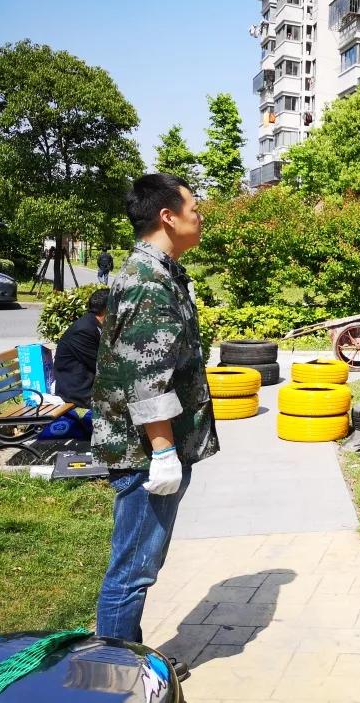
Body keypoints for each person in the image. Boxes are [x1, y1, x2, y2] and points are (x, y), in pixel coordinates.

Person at [93, 173, 219, 680]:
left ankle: (130, 658)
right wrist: (163, 451)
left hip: (149, 448)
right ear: (168, 215)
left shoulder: (159, 273)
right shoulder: (149, 281)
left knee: (136, 567)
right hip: (147, 453)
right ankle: (117, 674)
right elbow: (147, 376)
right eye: (194, 206)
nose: (200, 214)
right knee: (132, 572)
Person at [54, 289, 109, 408]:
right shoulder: (83, 331)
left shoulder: (93, 324)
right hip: (78, 391)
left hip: (89, 385)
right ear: (107, 309)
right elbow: (102, 365)